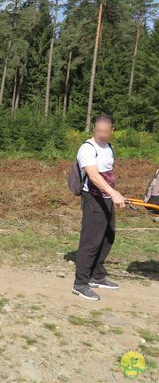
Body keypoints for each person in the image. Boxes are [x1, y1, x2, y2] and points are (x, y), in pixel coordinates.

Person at [72, 114, 125, 301]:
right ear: (94, 129)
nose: (101, 134)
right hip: (93, 199)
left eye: (105, 131)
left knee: (108, 237)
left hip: (106, 198)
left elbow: (108, 173)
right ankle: (80, 283)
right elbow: (93, 176)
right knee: (91, 241)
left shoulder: (109, 147)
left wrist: (113, 193)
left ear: (112, 131)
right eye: (98, 130)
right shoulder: (87, 148)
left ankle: (96, 275)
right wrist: (114, 193)